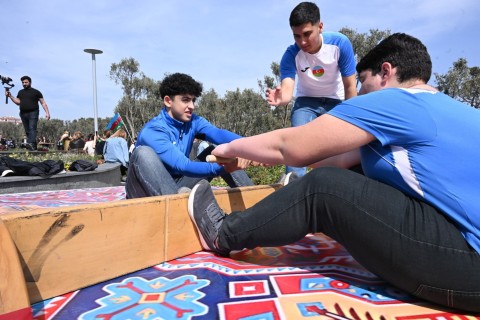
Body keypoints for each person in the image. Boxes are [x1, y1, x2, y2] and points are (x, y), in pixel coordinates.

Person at [188, 33, 480, 312]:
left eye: (364, 84)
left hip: (469, 263)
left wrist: (230, 147)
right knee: (345, 174)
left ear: (386, 72)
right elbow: (334, 160)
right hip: (463, 255)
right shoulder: (454, 110)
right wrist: (255, 160)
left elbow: (292, 147)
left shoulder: (398, 101)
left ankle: (222, 233)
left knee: (322, 189)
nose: (360, 95)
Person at [126, 72, 254, 199]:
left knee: (217, 150)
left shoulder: (193, 121)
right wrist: (226, 168)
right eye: (185, 100)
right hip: (144, 190)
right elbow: (183, 165)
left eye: (193, 100)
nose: (192, 106)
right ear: (168, 101)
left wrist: (255, 146)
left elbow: (218, 134)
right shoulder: (153, 131)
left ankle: (256, 200)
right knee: (143, 153)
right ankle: (178, 206)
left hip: (177, 184)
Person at [266, 2, 357, 177]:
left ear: (320, 26)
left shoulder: (340, 44)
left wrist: (351, 119)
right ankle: (294, 185)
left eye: (307, 34)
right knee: (296, 143)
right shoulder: (291, 54)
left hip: (336, 102)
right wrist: (280, 99)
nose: (303, 41)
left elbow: (350, 86)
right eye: (297, 36)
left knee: (340, 148)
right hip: (306, 102)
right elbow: (286, 91)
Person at [5, 76, 50, 150]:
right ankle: (33, 148)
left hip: (33, 113)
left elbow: (43, 103)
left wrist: (47, 113)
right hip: (23, 113)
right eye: (23, 82)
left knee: (32, 128)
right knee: (28, 131)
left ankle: (30, 143)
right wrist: (10, 96)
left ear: (30, 82)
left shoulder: (36, 92)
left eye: (26, 82)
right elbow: (18, 102)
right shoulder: (20, 92)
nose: (24, 84)